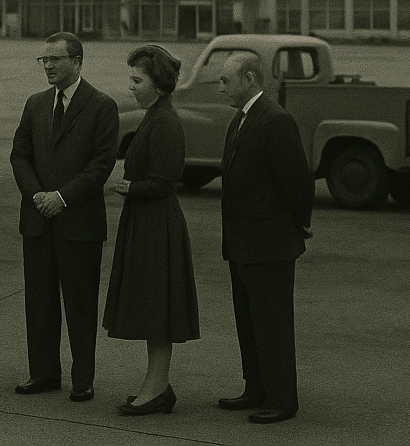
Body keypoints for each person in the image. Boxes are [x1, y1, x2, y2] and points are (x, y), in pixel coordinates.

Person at [10, 32, 119, 403]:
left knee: (80, 303)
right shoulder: (35, 104)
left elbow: (102, 164)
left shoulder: (102, 106)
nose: (49, 66)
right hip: (38, 219)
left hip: (79, 223)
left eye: (55, 59)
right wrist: (37, 195)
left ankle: (83, 378)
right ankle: (42, 373)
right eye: (44, 60)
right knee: (39, 301)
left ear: (77, 61)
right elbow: (19, 155)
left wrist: (62, 197)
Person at [215, 51, 313, 425]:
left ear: (250, 80)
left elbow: (297, 183)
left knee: (272, 324)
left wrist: (298, 224)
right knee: (249, 321)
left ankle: (282, 399)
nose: (221, 87)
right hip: (242, 243)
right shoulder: (242, 119)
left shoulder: (275, 120)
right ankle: (255, 388)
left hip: (269, 243)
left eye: (226, 80)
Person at [102, 44, 199, 416]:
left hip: (156, 224)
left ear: (158, 85)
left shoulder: (165, 123)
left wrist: (131, 188)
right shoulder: (155, 117)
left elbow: (164, 181)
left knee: (157, 309)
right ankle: (157, 385)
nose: (131, 87)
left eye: (137, 80)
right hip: (147, 222)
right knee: (152, 307)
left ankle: (157, 388)